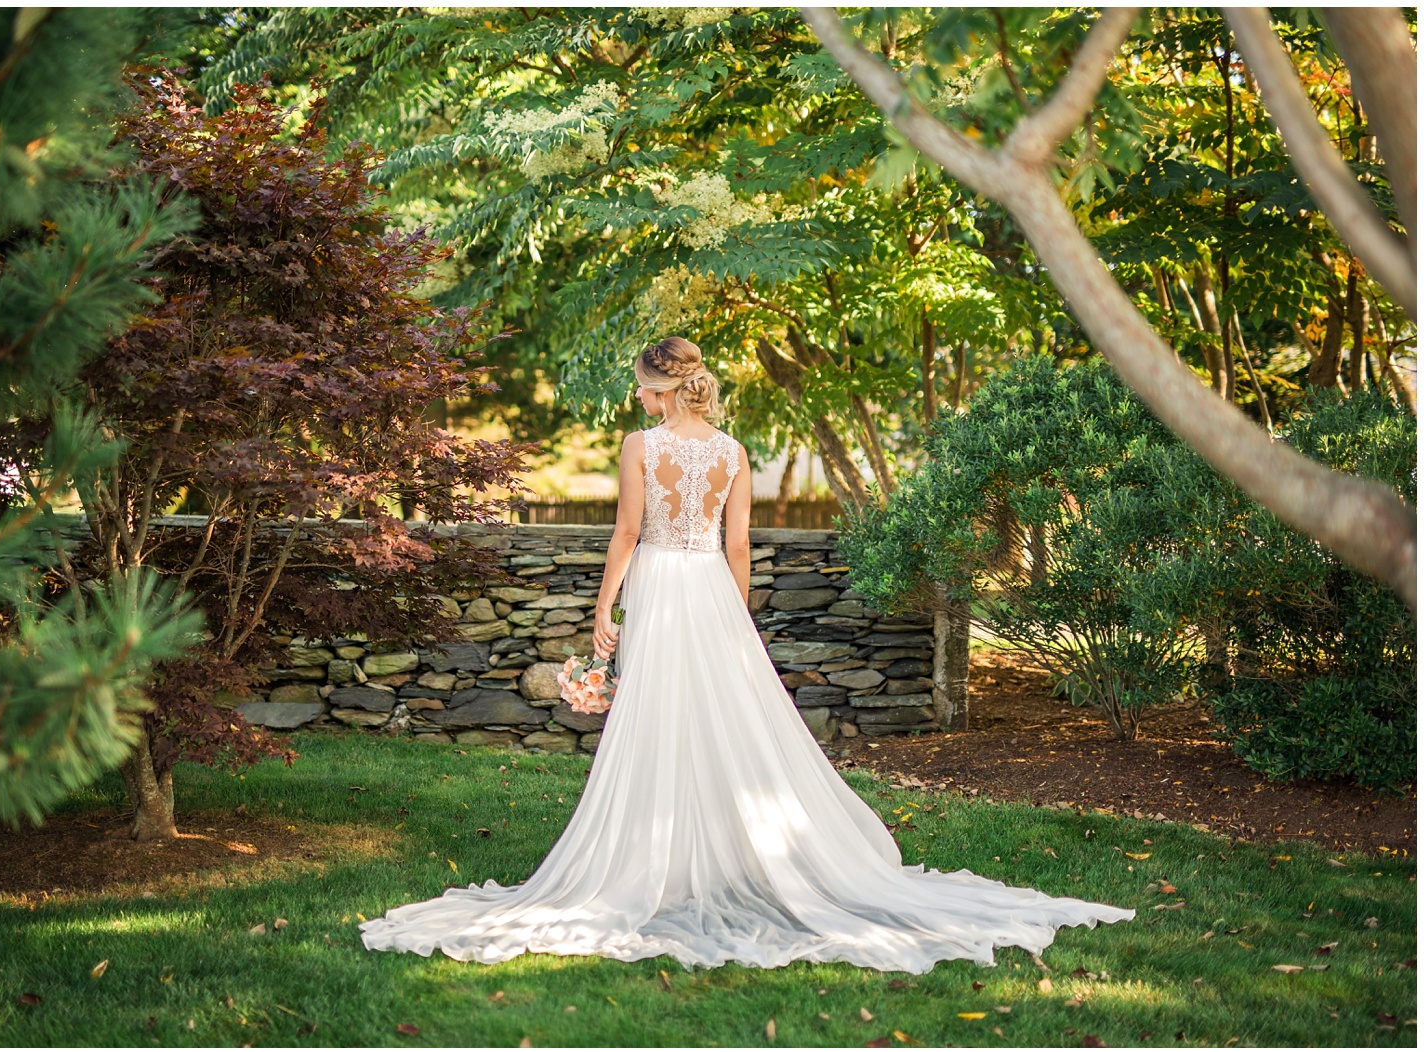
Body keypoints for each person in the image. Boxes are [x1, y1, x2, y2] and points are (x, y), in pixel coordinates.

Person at [360, 336, 1135, 971]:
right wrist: (737, 618)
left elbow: (627, 534)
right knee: (725, 721)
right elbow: (739, 546)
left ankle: (663, 859)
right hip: (709, 591)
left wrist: (605, 608)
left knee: (665, 718)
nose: (638, 398)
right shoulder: (732, 451)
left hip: (661, 586)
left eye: (642, 387)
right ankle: (711, 855)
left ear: (663, 390)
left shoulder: (641, 445)